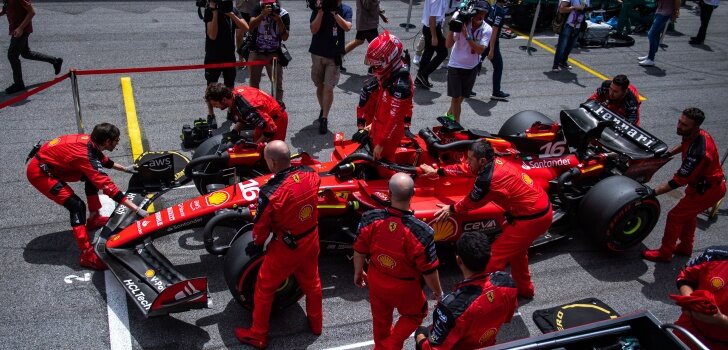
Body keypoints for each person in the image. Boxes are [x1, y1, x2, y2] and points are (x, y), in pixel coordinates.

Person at [431, 141, 552, 298]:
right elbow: (466, 169)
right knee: (518, 254)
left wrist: (452, 209)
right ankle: (525, 290)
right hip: (535, 211)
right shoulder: (491, 162)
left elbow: (472, 202)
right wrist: (440, 171)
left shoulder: (490, 179)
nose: (467, 162)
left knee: (492, 260)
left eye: (470, 159)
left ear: (482, 161)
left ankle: (474, 298)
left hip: (531, 219)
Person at [235, 140, 323, 348]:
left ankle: (258, 334)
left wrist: (256, 244)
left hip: (287, 248)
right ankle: (316, 324)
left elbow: (261, 226)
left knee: (264, 287)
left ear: (273, 163)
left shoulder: (270, 192)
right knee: (313, 284)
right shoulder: (311, 174)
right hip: (312, 239)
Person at [26, 123, 149, 270]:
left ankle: (94, 218)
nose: (118, 142)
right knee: (76, 206)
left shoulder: (90, 142)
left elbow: (101, 159)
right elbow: (107, 187)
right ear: (107, 141)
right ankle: (86, 254)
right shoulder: (85, 154)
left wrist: (124, 169)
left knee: (91, 177)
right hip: (40, 173)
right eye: (116, 140)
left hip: (54, 165)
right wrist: (137, 209)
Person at [353, 173, 444, 350]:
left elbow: (359, 249)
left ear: (388, 193)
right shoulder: (421, 232)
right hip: (405, 288)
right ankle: (391, 346)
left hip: (376, 279)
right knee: (416, 315)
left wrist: (358, 272)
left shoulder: (370, 219)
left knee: (380, 321)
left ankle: (382, 347)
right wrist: (438, 292)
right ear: (413, 194)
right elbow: (429, 270)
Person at [641, 108, 726, 262]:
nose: (679, 126)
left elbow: (677, 181)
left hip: (708, 191)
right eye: (680, 121)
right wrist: (668, 154)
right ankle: (686, 247)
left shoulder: (699, 153)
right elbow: (684, 145)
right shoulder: (695, 135)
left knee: (674, 216)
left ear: (695, 127)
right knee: (688, 215)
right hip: (701, 186)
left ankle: (664, 253)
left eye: (685, 125)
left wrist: (653, 192)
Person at [414, 232, 519, 349]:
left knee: (422, 332)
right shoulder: (507, 282)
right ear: (490, 255)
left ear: (459, 260)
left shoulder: (451, 309)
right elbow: (506, 315)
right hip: (488, 344)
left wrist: (420, 335)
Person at [356, 31, 413, 162]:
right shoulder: (391, 73)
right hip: (378, 127)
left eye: (376, 64)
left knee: (383, 169)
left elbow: (394, 119)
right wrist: (369, 127)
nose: (373, 68)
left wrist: (381, 144)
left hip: (388, 136)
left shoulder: (401, 85)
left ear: (389, 58)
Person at [309, 0, 353, 134]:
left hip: (334, 56)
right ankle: (323, 108)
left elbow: (347, 27)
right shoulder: (319, 7)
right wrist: (321, 12)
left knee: (328, 88)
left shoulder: (345, 9)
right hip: (317, 53)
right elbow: (313, 29)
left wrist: (335, 14)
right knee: (320, 86)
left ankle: (324, 118)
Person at [1, 0, 63, 95]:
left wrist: (20, 28)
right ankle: (55, 61)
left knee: (12, 55)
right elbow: (7, 8)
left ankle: (19, 84)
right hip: (16, 28)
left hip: (21, 29)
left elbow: (31, 12)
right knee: (26, 53)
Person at [672, 246, 728, 349]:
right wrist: (690, 301)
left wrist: (721, 320)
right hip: (687, 330)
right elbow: (686, 275)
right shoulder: (715, 255)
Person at [444, 1, 491, 123]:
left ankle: (449, 113)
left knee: (463, 96)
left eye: (484, 13)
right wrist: (453, 25)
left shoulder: (487, 29)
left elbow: (480, 50)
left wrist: (467, 36)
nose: (480, 15)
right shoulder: (463, 23)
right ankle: (457, 123)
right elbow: (448, 44)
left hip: (472, 66)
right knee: (456, 97)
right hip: (455, 65)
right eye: (478, 12)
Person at [204, 0, 249, 126]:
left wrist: (231, 15)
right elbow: (212, 35)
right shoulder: (209, 11)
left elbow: (246, 28)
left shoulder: (232, 10)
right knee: (210, 85)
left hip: (228, 55)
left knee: (230, 85)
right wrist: (214, 11)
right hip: (213, 55)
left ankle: (231, 110)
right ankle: (211, 113)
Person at [205, 83, 288, 144]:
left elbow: (271, 130)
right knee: (257, 145)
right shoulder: (233, 95)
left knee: (273, 154)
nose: (215, 107)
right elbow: (243, 118)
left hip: (277, 120)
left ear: (223, 100)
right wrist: (233, 132)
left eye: (215, 104)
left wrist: (254, 147)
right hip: (264, 117)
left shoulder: (247, 108)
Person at [247, 0, 290, 101]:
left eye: (271, 5)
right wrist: (262, 15)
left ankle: (277, 106)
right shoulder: (258, 9)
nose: (269, 8)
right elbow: (250, 27)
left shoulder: (283, 13)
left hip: (274, 53)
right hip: (257, 51)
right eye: (266, 5)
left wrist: (279, 20)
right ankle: (255, 105)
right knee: (253, 83)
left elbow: (285, 37)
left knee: (277, 85)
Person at [343, 0, 388, 73]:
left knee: (359, 41)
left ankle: (339, 56)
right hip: (367, 23)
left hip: (366, 22)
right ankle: (373, 68)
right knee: (376, 46)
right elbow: (368, 5)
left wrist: (382, 15)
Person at [415, 0, 448, 90]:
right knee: (443, 53)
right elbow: (432, 18)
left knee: (428, 52)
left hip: (429, 28)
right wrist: (434, 36)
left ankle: (419, 78)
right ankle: (423, 74)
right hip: (432, 28)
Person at [638, 0, 680, 66]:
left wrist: (675, 13)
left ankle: (651, 59)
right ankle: (650, 55)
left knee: (651, 34)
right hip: (660, 11)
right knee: (656, 33)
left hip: (665, 13)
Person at [483, 0, 509, 101]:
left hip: (483, 39)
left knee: (475, 65)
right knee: (498, 66)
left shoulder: (491, 7)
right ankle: (496, 92)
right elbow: (494, 30)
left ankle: (465, 89)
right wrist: (492, 49)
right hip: (491, 42)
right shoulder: (500, 12)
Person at [551, 0, 588, 72]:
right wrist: (575, 7)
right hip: (567, 25)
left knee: (570, 46)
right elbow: (561, 9)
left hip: (578, 26)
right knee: (562, 46)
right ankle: (555, 65)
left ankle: (563, 62)